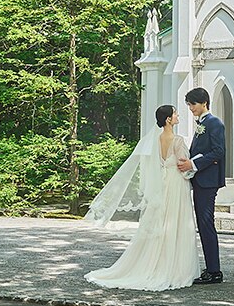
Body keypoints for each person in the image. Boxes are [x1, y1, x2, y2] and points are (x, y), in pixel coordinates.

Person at [84, 104, 198, 291]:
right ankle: (174, 268)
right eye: (175, 114)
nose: (178, 116)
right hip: (176, 183)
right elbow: (183, 165)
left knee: (161, 221)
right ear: (168, 119)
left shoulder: (154, 140)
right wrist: (191, 173)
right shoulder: (178, 140)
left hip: (162, 184)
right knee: (176, 222)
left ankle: (155, 262)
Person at [177, 87, 225, 285]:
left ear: (204, 102)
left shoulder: (214, 123)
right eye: (188, 105)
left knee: (206, 225)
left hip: (208, 182)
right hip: (200, 180)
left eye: (193, 104)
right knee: (203, 225)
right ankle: (211, 268)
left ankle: (214, 271)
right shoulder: (202, 124)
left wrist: (193, 164)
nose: (190, 108)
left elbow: (218, 152)